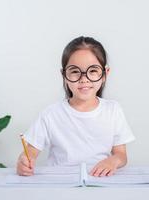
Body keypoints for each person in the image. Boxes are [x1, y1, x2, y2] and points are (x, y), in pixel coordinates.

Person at [16, 36, 135, 177]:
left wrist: (112, 161)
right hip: (60, 184)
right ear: (64, 75)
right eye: (74, 71)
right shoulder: (50, 114)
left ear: (105, 74)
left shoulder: (113, 110)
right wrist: (23, 161)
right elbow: (30, 152)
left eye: (93, 71)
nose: (84, 79)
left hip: (100, 181)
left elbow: (121, 155)